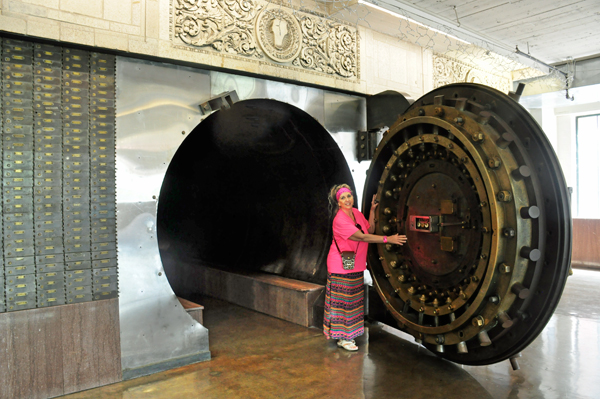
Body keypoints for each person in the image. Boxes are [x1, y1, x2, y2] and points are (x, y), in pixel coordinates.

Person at [323, 184, 407, 351]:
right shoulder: (339, 219)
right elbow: (362, 237)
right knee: (343, 300)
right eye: (343, 198)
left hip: (353, 262)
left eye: (349, 196)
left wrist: (372, 210)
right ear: (338, 202)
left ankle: (349, 335)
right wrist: (388, 239)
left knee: (353, 300)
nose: (347, 200)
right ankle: (344, 338)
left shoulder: (356, 213)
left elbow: (369, 228)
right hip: (341, 263)